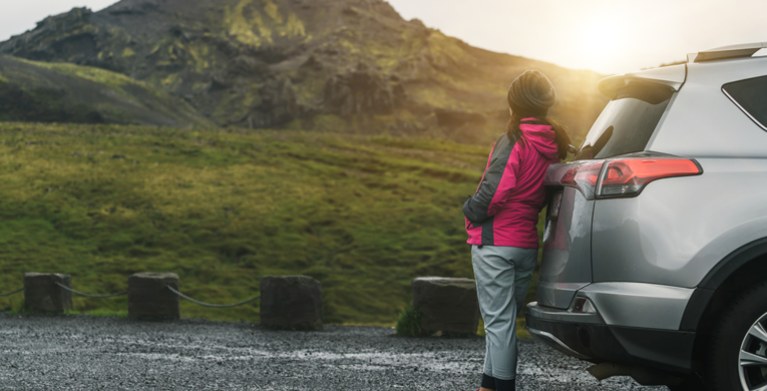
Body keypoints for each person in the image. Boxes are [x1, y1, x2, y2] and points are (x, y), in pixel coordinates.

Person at [462, 69, 570, 391]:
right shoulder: (554, 143)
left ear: (514, 102)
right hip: (524, 245)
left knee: (499, 325)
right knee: (502, 324)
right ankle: (487, 386)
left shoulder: (514, 140)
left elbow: (494, 192)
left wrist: (470, 210)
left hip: (496, 243)